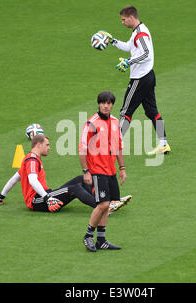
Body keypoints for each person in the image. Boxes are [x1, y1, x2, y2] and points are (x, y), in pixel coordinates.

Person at [0, 134, 132, 214]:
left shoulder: (29, 159)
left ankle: (107, 201)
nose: (49, 148)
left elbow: (15, 178)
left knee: (81, 179)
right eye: (47, 145)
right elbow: (33, 180)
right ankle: (103, 208)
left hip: (45, 196)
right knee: (74, 189)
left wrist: (0, 196)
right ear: (38, 145)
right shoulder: (32, 161)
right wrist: (48, 198)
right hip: (38, 201)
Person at [99, 6, 171, 155]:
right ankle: (163, 144)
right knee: (152, 111)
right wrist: (112, 41)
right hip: (148, 76)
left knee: (126, 111)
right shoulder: (137, 32)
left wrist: (128, 62)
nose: (122, 22)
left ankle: (115, 143)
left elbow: (146, 54)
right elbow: (129, 47)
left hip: (140, 79)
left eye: (124, 20)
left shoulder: (141, 33)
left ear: (131, 17)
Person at [79, 91, 126, 252]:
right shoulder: (91, 123)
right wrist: (86, 171)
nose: (106, 105)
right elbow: (82, 149)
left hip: (110, 170)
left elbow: (119, 147)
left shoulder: (114, 122)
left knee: (107, 206)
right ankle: (88, 236)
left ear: (112, 105)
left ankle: (101, 240)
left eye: (109, 103)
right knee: (103, 204)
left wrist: (122, 168)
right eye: (103, 103)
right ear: (98, 104)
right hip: (97, 170)